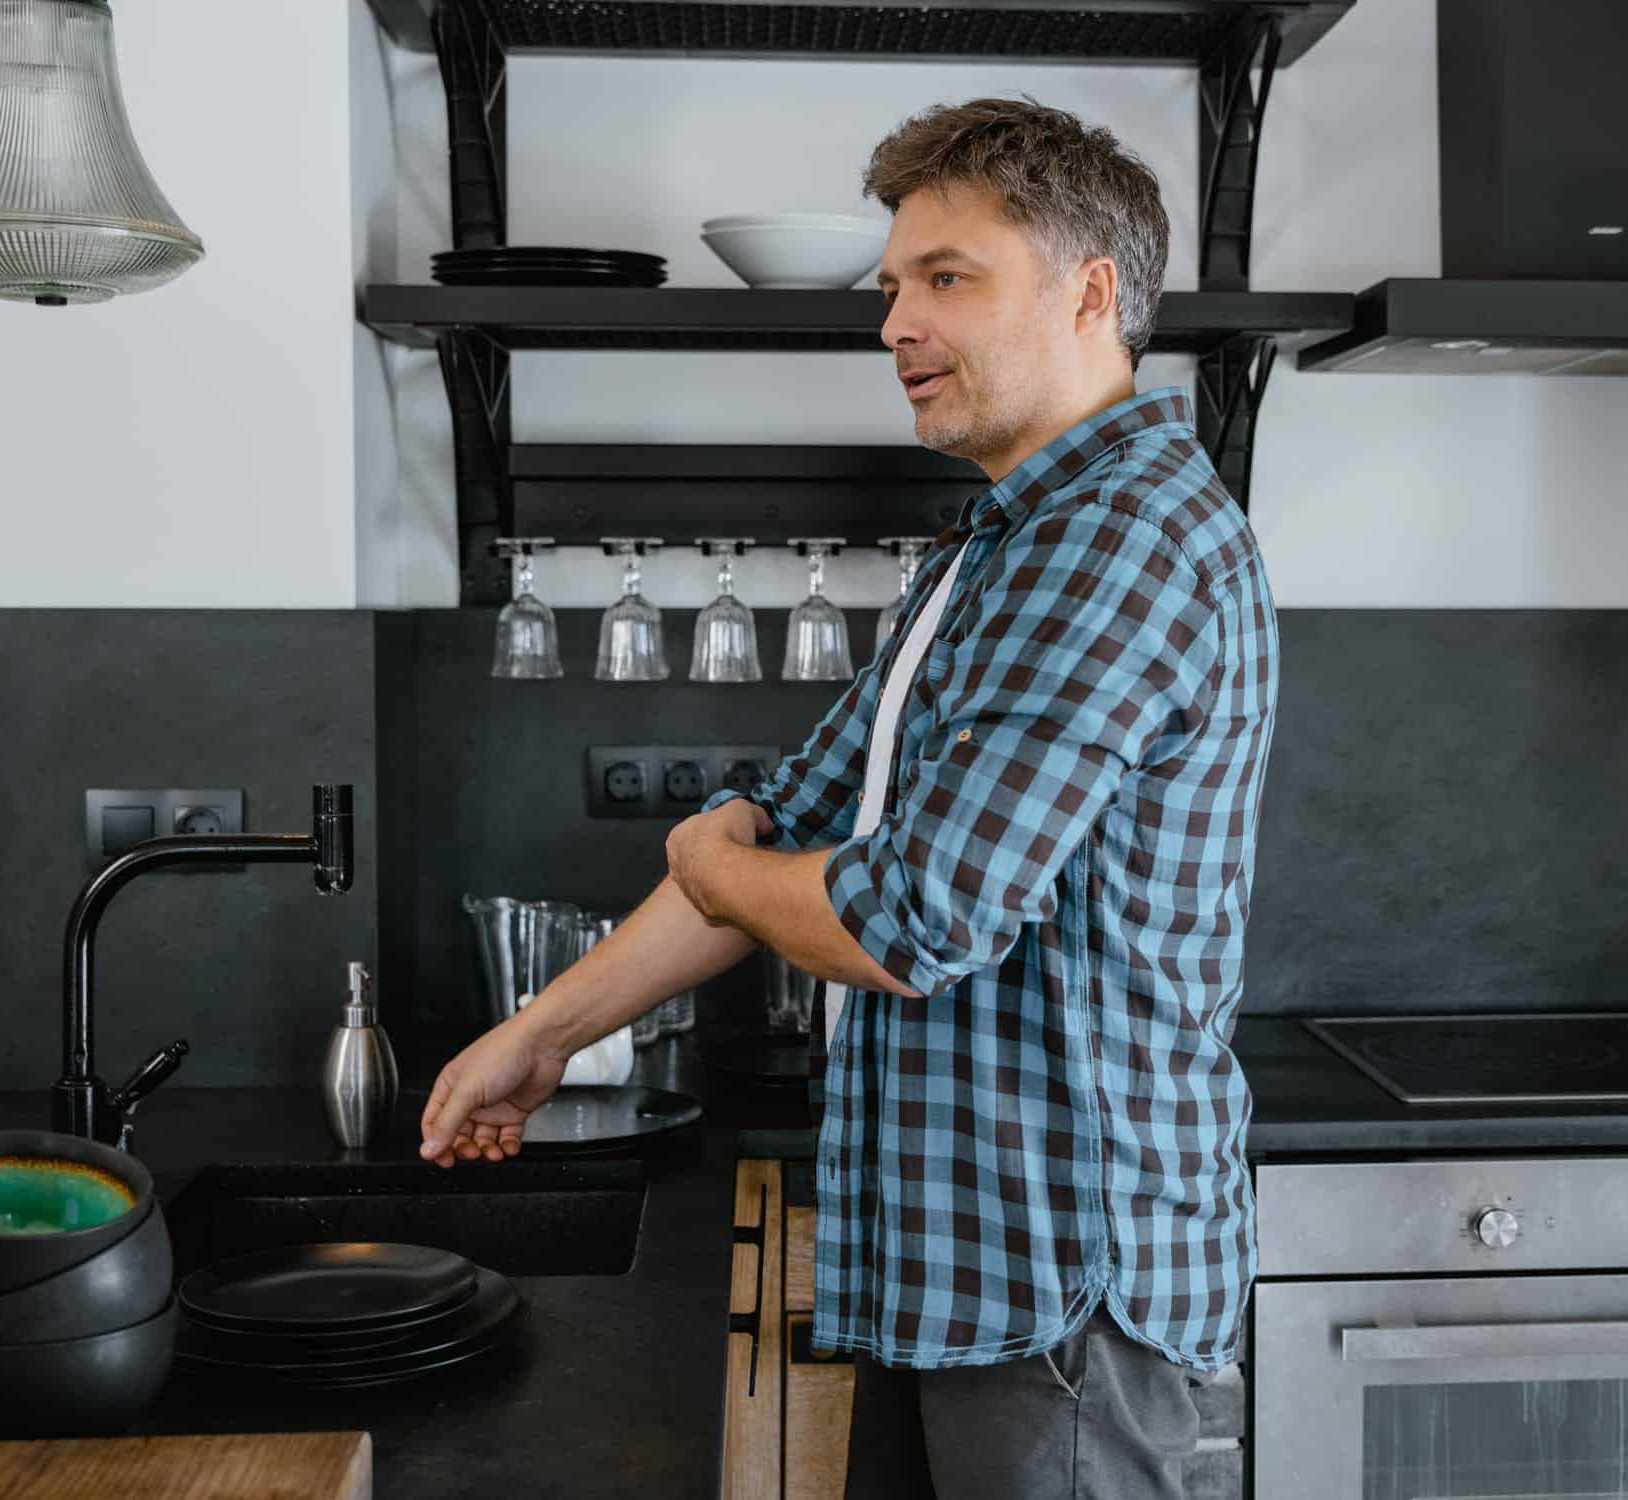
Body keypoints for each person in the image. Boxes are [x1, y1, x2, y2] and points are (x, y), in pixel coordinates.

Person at [418, 95, 1279, 1500]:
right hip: (954, 1264)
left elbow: (906, 919)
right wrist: (540, 1033)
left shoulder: (1117, 539)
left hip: (1057, 1278)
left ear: (1091, 292)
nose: (894, 326)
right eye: (891, 287)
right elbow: (796, 824)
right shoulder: (996, 545)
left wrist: (715, 863)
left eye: (947, 279)